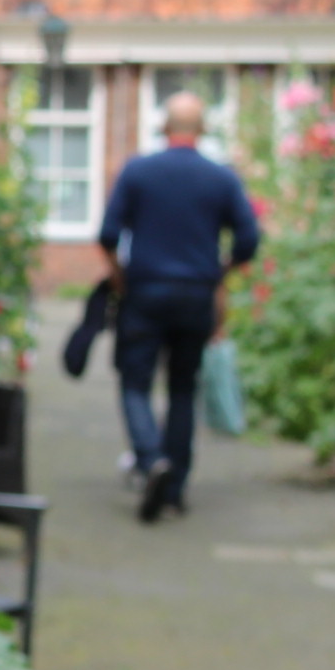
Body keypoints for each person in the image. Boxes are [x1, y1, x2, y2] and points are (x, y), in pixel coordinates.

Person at [98, 92, 259, 522]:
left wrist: (119, 275)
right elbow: (248, 241)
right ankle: (175, 486)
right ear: (201, 130)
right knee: (183, 388)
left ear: (164, 128)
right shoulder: (221, 179)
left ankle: (151, 461)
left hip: (145, 292)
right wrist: (220, 270)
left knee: (135, 383)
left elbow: (108, 233)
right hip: (196, 296)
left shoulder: (138, 172)